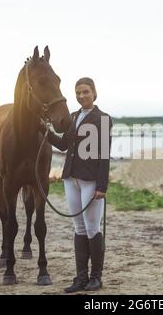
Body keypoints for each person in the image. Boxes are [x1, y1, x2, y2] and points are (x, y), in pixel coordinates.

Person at [44, 77, 112, 292]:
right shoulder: (73, 117)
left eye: (85, 92)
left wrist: (102, 186)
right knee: (78, 227)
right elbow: (64, 145)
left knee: (92, 228)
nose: (81, 96)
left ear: (94, 93)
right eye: (78, 93)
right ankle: (81, 277)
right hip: (70, 179)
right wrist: (44, 132)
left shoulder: (103, 118)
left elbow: (103, 155)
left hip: (91, 181)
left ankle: (96, 277)